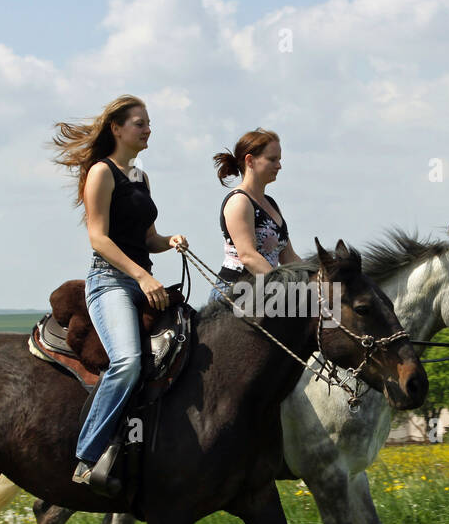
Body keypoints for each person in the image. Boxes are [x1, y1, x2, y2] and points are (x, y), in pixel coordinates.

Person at [51, 95, 187, 488]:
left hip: (143, 280)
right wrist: (143, 277)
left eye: (148, 124)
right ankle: (88, 457)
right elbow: (99, 239)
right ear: (117, 128)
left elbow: (146, 238)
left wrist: (170, 240)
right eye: (140, 123)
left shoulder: (141, 178)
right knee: (127, 362)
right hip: (109, 281)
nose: (148, 130)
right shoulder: (101, 172)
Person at [209, 128, 300, 305]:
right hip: (236, 293)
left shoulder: (271, 203)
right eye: (272, 159)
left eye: (279, 160)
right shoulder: (239, 201)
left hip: (264, 291)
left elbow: (288, 257)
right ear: (250, 160)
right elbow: (248, 256)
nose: (279, 166)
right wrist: (285, 288)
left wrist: (320, 278)